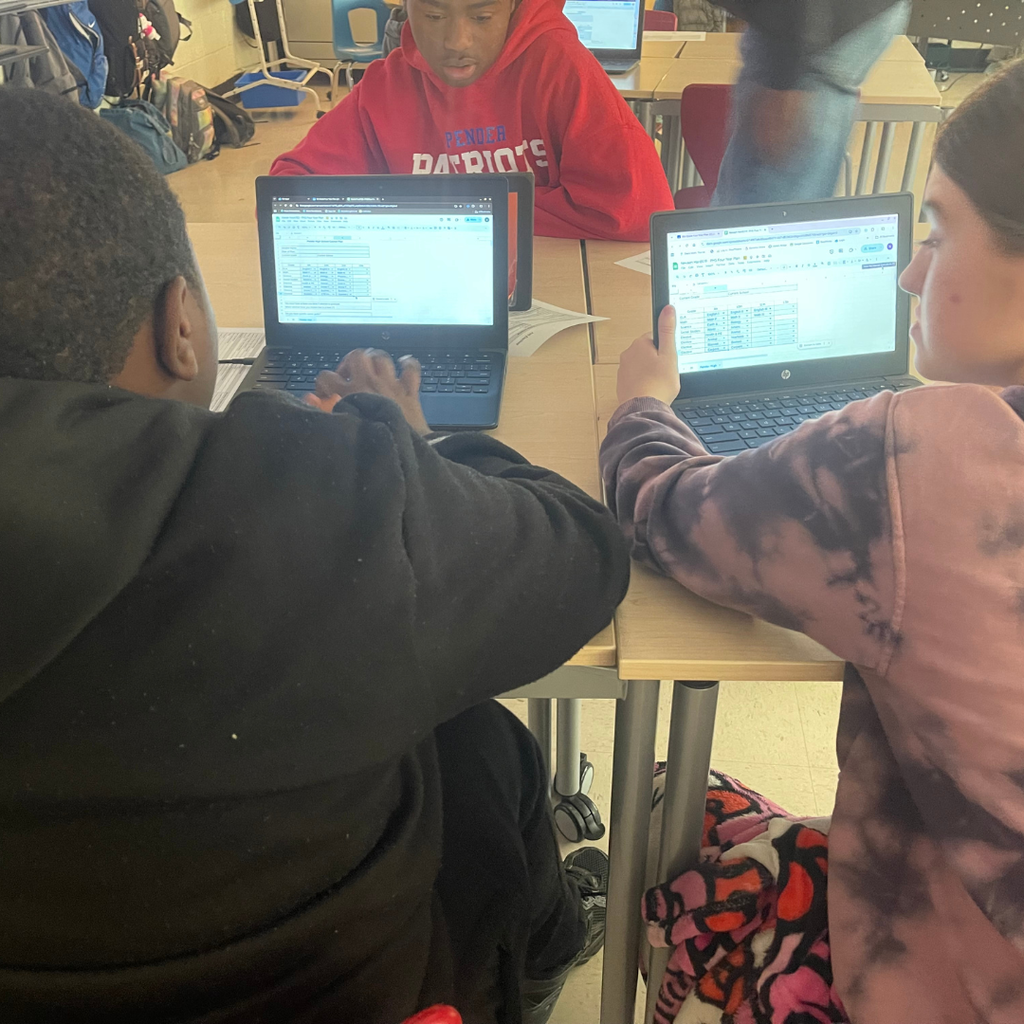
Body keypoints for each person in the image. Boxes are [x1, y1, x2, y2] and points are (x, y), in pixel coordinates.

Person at [0, 88, 631, 1024]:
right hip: (354, 989)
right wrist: (409, 453)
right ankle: (537, 966)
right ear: (181, 324)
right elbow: (585, 554)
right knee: (478, 740)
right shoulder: (303, 496)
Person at [601, 62, 1024, 1023]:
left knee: (671, 810)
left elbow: (661, 505)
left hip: (931, 984)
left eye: (938, 230)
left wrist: (642, 400)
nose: (912, 271)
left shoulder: (935, 463)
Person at [269, 0, 673, 242]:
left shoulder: (558, 65)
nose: (456, 42)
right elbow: (286, 195)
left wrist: (450, 219)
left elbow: (637, 214)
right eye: (432, 14)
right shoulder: (387, 86)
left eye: (481, 16)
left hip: (556, 288)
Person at [712, 0, 911, 206]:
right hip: (805, 29)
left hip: (805, 31)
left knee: (763, 216)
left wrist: (786, 78)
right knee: (754, 204)